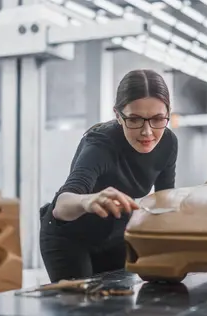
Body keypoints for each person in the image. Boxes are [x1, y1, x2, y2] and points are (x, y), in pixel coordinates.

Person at [39, 69, 178, 283]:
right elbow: (61, 206)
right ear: (118, 115)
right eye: (134, 119)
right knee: (81, 307)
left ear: (168, 113)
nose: (147, 132)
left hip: (116, 236)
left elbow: (165, 201)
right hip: (71, 238)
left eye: (158, 119)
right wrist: (88, 200)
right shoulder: (101, 144)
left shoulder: (168, 143)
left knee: (117, 306)